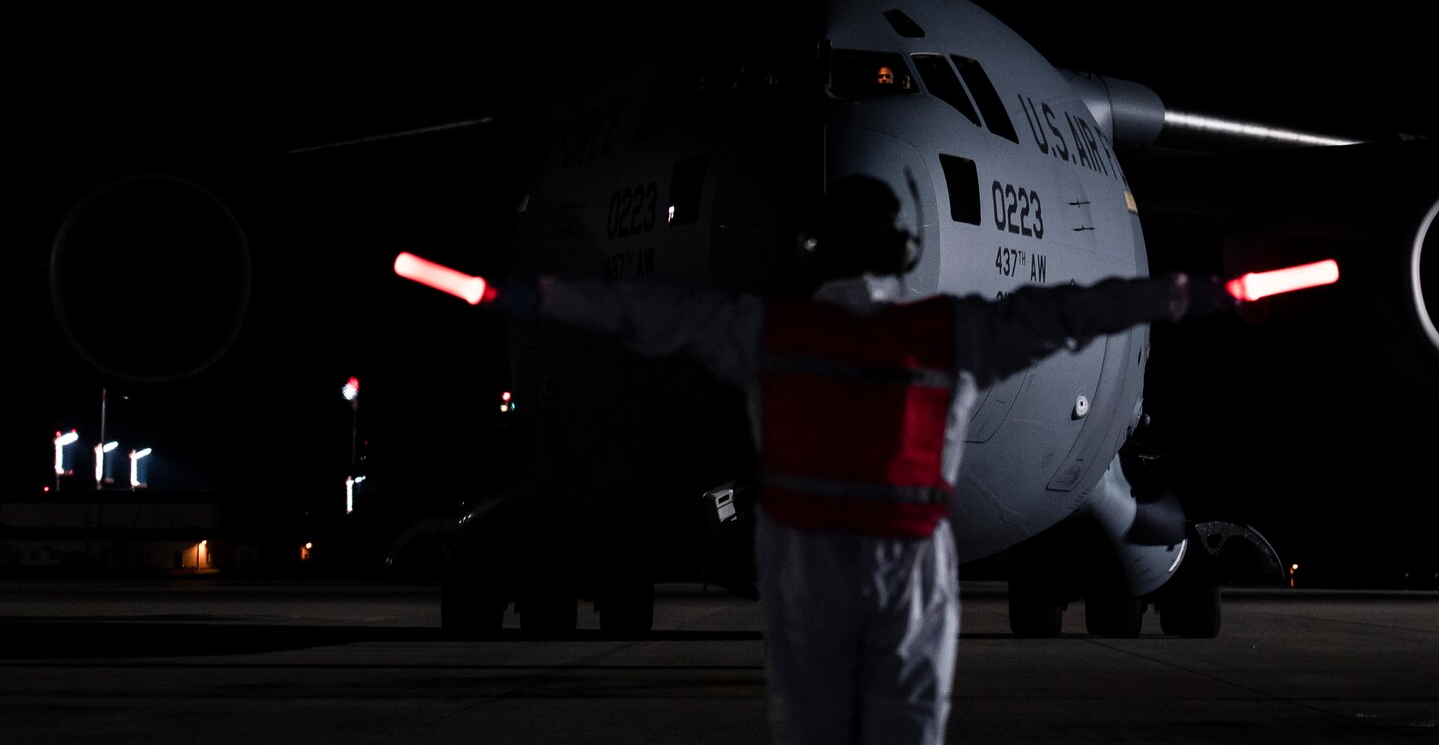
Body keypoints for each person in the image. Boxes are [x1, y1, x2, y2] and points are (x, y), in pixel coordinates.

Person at [495, 174, 1233, 745]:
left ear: (811, 250)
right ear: (907, 250)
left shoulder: (766, 330)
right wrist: (1193, 294)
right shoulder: (950, 332)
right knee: (906, 727)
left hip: (806, 565)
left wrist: (527, 296)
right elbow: (1073, 313)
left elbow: (646, 315)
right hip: (907, 562)